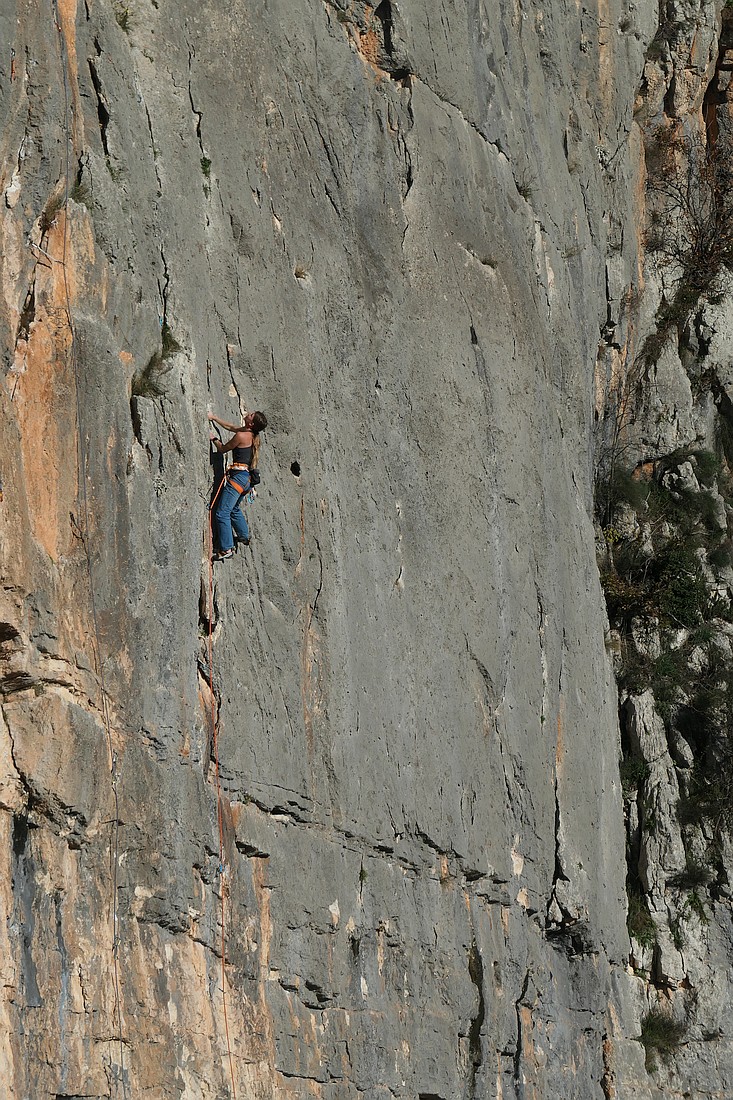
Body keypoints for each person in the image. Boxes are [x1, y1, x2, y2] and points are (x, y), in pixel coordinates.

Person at [209, 409, 268, 560]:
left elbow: (222, 449)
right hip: (246, 480)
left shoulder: (242, 436)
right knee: (234, 509)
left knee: (222, 513)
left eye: (251, 415)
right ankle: (243, 535)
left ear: (251, 423)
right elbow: (231, 427)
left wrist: (213, 438)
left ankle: (227, 548)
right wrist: (214, 417)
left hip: (237, 480)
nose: (248, 413)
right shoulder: (250, 434)